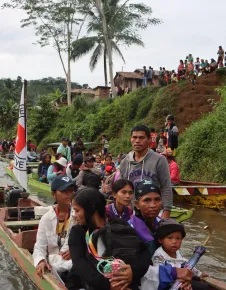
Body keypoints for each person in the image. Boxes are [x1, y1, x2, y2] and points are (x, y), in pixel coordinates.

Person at [66, 187, 152, 290]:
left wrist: (133, 272)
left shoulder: (119, 225)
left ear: (91, 209)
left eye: (77, 210)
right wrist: (108, 286)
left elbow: (144, 253)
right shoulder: (78, 232)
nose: (74, 215)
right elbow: (79, 263)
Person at [128, 180, 193, 290]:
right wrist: (175, 273)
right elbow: (135, 268)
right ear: (137, 205)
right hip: (145, 283)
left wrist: (184, 277)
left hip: (167, 277)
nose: (153, 205)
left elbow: (174, 253)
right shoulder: (129, 229)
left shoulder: (162, 224)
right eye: (147, 200)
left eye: (157, 199)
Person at [119, 125, 172, 219]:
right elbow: (121, 189)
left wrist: (166, 212)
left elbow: (166, 186)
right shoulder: (125, 162)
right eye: (134, 137)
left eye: (141, 137)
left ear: (149, 139)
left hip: (154, 211)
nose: (137, 141)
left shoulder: (159, 160)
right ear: (130, 139)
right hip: (132, 211)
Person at [33, 175, 76, 278]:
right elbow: (40, 246)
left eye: (71, 190)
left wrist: (74, 250)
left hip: (73, 263)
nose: (69, 194)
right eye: (64, 191)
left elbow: (87, 239)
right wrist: (41, 261)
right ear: (53, 194)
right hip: (53, 264)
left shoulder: (78, 215)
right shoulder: (46, 219)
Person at [153, 219, 210, 290]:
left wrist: (199, 274)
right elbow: (158, 276)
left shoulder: (177, 252)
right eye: (170, 238)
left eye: (178, 238)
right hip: (168, 286)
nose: (174, 242)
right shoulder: (159, 256)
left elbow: (187, 264)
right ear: (160, 240)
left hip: (180, 282)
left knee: (203, 286)